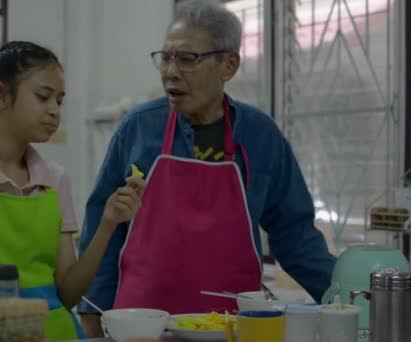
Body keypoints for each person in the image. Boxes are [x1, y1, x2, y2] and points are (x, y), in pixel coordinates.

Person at [78, 0, 336, 336]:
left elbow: (296, 235)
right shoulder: (139, 129)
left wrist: (344, 301)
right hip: (142, 326)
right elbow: (103, 227)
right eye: (166, 57)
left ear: (229, 65)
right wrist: (91, 311)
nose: (171, 71)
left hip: (230, 328)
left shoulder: (260, 137)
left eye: (187, 59)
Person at [0, 41, 145, 340]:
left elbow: (67, 294)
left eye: (59, 101)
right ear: (0, 94)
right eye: (43, 97)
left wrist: (107, 224)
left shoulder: (55, 180)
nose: (54, 111)